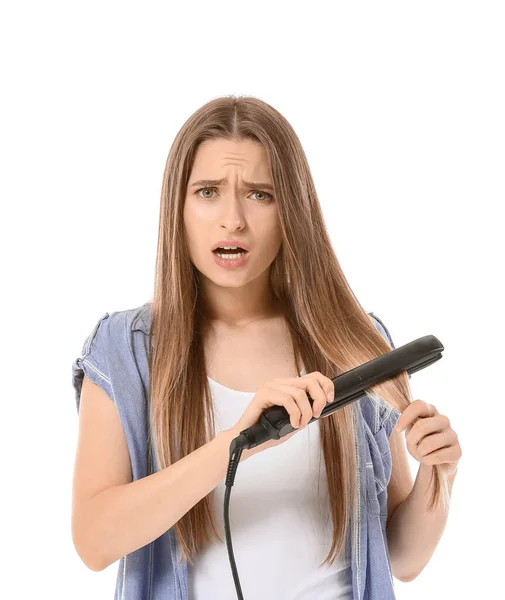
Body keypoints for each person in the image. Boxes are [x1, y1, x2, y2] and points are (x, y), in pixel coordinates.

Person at [71, 95, 459, 600]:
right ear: (178, 208)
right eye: (208, 191)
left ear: (291, 210)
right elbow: (94, 541)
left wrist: (439, 475)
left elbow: (402, 559)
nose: (232, 219)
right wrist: (238, 443)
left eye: (259, 194)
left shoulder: (353, 341)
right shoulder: (126, 350)